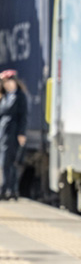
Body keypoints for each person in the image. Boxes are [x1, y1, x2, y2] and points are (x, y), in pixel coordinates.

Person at [0, 69, 28, 201]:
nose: (5, 84)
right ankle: (9, 189)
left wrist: (22, 133)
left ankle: (8, 190)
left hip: (13, 133)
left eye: (7, 81)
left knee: (10, 162)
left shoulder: (20, 96)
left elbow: (24, 116)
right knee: (5, 162)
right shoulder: (6, 96)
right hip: (4, 133)